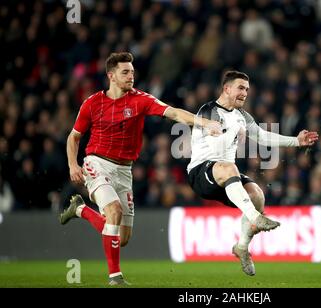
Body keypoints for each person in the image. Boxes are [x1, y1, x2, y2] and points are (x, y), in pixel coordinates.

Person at [59, 52, 221, 285]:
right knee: (113, 211)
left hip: (124, 170)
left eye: (132, 72)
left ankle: (81, 210)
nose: (131, 76)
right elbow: (74, 137)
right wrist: (73, 164)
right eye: (125, 72)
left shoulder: (140, 100)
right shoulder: (92, 103)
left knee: (121, 237)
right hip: (96, 163)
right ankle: (115, 277)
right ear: (111, 76)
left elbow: (173, 112)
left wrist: (204, 123)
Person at [187, 71, 319, 276]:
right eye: (240, 88)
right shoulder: (209, 110)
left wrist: (296, 141)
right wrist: (234, 133)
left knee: (257, 194)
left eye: (247, 89)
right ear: (226, 88)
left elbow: (263, 137)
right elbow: (215, 144)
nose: (245, 93)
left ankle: (241, 247)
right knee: (229, 167)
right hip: (200, 173)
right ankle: (256, 218)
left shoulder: (242, 116)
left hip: (225, 176)